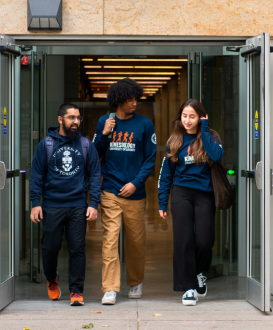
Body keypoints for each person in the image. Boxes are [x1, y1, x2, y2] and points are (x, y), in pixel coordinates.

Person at [30, 103, 101, 306]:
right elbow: (36, 175)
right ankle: (52, 279)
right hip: (52, 205)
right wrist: (36, 203)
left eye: (78, 118)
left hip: (78, 205)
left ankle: (76, 291)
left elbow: (95, 175)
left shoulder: (87, 145)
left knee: (77, 248)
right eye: (71, 118)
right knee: (50, 248)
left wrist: (93, 203)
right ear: (60, 119)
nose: (76, 122)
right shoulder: (46, 145)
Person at [93, 78, 157, 305]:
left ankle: (135, 281)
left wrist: (136, 183)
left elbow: (151, 158)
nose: (134, 104)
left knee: (136, 241)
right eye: (130, 100)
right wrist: (103, 133)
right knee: (110, 240)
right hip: (110, 190)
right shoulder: (105, 121)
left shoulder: (145, 124)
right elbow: (94, 154)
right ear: (119, 100)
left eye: (135, 99)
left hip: (135, 193)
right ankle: (110, 288)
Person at [158, 99, 224, 306]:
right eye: (184, 116)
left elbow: (216, 155)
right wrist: (162, 202)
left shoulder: (211, 136)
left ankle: (198, 272)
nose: (187, 120)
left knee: (204, 240)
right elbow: (166, 174)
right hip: (181, 194)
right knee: (183, 240)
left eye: (192, 116)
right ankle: (188, 288)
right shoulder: (174, 140)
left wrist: (204, 128)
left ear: (201, 117)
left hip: (205, 193)